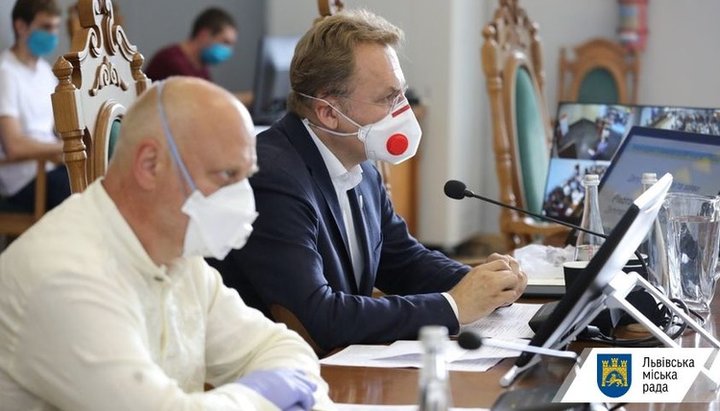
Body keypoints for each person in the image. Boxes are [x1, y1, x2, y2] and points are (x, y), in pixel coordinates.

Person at [0, 77, 333, 410]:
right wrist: (262, 396)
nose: (243, 197)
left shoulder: (178, 254)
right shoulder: (64, 275)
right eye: (227, 175)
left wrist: (281, 388)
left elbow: (280, 346)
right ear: (149, 165)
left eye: (246, 176)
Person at [209, 9, 527, 353]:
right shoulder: (272, 176)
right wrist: (453, 306)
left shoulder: (361, 163)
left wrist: (486, 283)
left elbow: (403, 260)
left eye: (401, 94)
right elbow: (321, 316)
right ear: (329, 112)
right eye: (387, 98)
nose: (402, 109)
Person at [0, 0, 70, 211]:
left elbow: (59, 130)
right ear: (21, 26)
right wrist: (63, 148)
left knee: (100, 180)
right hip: (24, 180)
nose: (53, 35)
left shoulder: (46, 72)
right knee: (78, 192)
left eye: (56, 27)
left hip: (51, 167)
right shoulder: (5, 73)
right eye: (46, 27)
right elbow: (14, 146)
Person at [145, 7, 237, 82]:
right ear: (204, 35)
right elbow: (205, 101)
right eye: (225, 42)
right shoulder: (172, 61)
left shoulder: (203, 70)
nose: (228, 50)